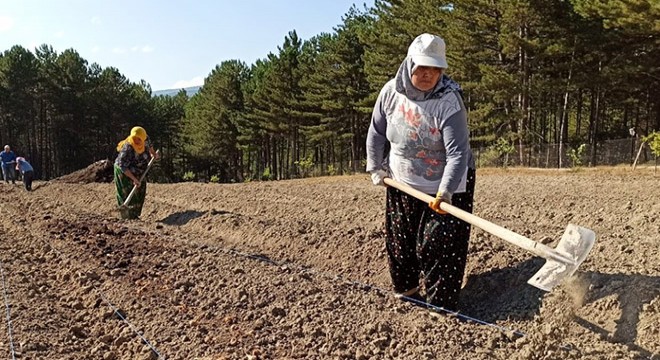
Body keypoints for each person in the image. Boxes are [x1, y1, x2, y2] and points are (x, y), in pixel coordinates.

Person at [365, 33, 476, 312]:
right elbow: (376, 132)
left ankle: (441, 306)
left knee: (438, 244)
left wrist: (445, 191)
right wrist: (375, 166)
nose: (428, 74)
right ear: (409, 64)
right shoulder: (390, 93)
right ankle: (408, 293)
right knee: (400, 241)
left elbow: (458, 153)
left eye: (435, 69)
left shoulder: (449, 102)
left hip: (446, 183)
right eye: (422, 67)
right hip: (402, 180)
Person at [114, 126, 159, 219]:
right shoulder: (128, 147)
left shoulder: (145, 138)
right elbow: (122, 165)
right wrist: (134, 179)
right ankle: (127, 216)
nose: (136, 141)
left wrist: (153, 154)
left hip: (138, 168)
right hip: (124, 170)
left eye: (139, 139)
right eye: (134, 138)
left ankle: (135, 215)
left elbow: (150, 146)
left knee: (140, 190)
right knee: (126, 190)